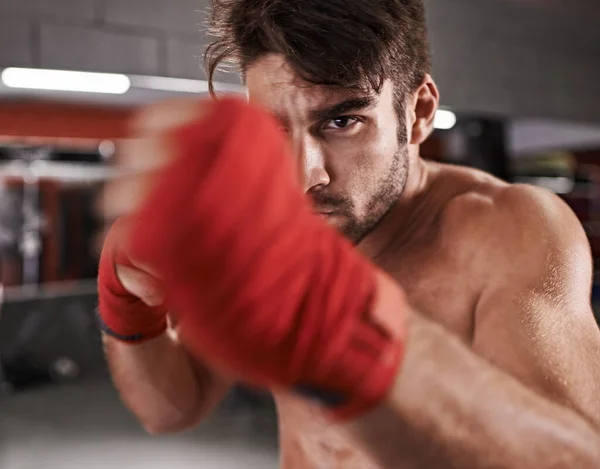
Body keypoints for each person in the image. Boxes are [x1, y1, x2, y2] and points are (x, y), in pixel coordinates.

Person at [97, 0, 600, 467]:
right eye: (274, 130)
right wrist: (131, 308)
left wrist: (353, 336)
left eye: (342, 120)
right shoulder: (269, 230)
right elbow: (172, 409)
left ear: (418, 112)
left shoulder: (507, 231)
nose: (302, 176)